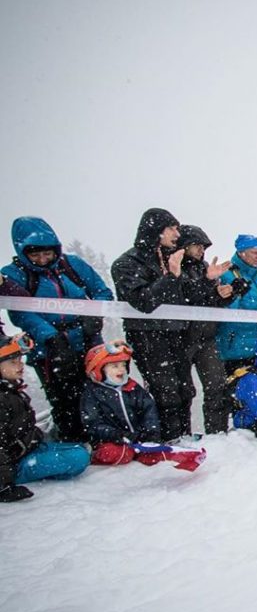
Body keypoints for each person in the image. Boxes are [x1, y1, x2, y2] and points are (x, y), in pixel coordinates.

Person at [2, 216, 114, 441]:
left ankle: (105, 438)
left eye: (48, 253)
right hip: (49, 347)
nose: (43, 259)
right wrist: (50, 336)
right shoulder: (15, 274)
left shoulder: (71, 265)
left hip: (86, 336)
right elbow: (21, 312)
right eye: (36, 255)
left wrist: (92, 316)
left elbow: (101, 291)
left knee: (99, 390)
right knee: (64, 398)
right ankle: (73, 440)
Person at [111, 208, 196, 441]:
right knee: (165, 391)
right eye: (172, 228)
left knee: (185, 389)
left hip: (177, 332)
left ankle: (184, 437)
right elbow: (143, 302)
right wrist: (170, 276)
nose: (177, 234)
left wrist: (210, 284)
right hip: (149, 336)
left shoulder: (170, 258)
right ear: (156, 230)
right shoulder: (127, 263)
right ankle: (168, 439)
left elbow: (187, 296)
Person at [79, 341, 207, 470]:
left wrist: (151, 433)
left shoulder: (132, 387)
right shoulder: (92, 393)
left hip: (139, 439)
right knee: (117, 453)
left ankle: (174, 455)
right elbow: (93, 423)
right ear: (97, 370)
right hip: (112, 441)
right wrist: (117, 435)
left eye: (123, 365)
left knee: (153, 456)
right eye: (115, 366)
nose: (122, 369)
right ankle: (95, 456)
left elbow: (148, 410)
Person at [0, 333, 90, 502]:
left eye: (19, 360)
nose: (20, 365)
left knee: (80, 449)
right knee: (79, 457)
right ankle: (18, 474)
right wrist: (4, 485)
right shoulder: (3, 398)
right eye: (13, 362)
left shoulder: (10, 389)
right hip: (15, 464)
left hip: (29, 449)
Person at [178, 224, 233, 434]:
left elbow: (210, 303)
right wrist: (206, 281)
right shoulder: (175, 268)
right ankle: (181, 435)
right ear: (184, 246)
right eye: (197, 246)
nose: (202, 250)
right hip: (181, 337)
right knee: (182, 390)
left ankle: (217, 431)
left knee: (217, 385)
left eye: (204, 246)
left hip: (207, 336)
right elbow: (184, 297)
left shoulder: (205, 268)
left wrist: (225, 295)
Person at [217, 234, 257, 376]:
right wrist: (235, 293)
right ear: (241, 253)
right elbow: (226, 309)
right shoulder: (227, 274)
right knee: (235, 389)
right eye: (254, 252)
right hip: (235, 345)